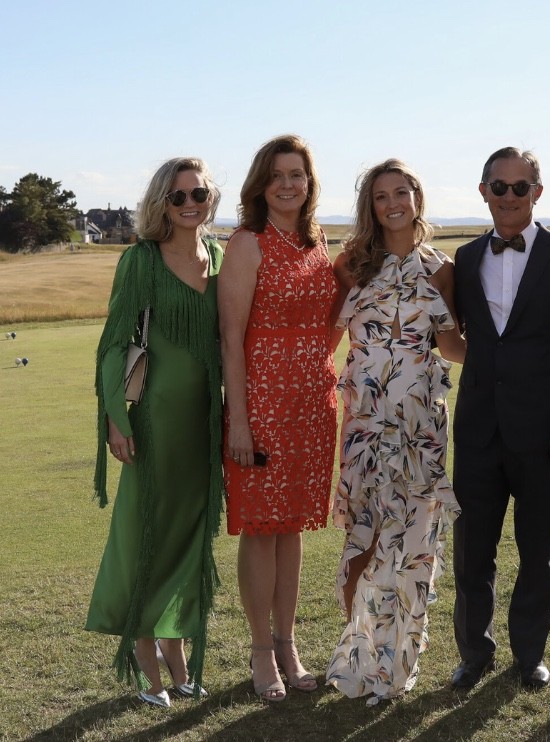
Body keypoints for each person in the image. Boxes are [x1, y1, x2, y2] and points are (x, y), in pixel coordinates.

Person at [450, 147, 550, 690]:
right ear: (483, 191)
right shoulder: (465, 258)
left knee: (538, 552)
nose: (509, 196)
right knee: (472, 553)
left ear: (537, 192)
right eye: (499, 186)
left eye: (520, 187)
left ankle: (529, 654)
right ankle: (474, 653)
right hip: (477, 430)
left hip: (544, 433)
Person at [324, 159, 465, 705]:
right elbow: (324, 342)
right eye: (381, 196)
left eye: (400, 192)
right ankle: (359, 656)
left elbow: (451, 345)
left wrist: (523, 358)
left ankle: (397, 663)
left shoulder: (441, 269)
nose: (392, 204)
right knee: (364, 535)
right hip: (365, 422)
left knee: (412, 544)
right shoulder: (350, 266)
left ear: (416, 198)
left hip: (421, 424)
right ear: (371, 205)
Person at [87, 157, 224, 708]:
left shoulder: (220, 256)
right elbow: (114, 343)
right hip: (154, 422)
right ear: (161, 203)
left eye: (199, 193)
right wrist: (116, 420)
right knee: (147, 536)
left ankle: (178, 657)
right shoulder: (140, 260)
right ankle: (147, 667)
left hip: (205, 424)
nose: (190, 204)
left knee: (189, 538)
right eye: (178, 196)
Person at [219, 134, 338, 703]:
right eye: (277, 175)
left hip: (313, 405)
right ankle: (261, 648)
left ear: (309, 183)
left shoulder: (319, 243)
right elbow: (230, 339)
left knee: (291, 529)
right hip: (262, 403)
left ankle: (288, 643)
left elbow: (331, 322)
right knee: (261, 528)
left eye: (297, 174)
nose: (288, 184)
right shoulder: (248, 243)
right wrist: (239, 422)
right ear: (260, 185)